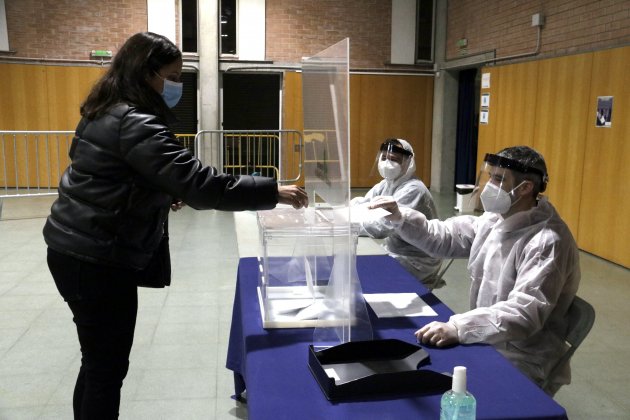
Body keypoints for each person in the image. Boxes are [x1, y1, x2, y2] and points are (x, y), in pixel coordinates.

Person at [42, 32, 308, 419]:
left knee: (98, 362)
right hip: (95, 258)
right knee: (106, 368)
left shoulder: (107, 109)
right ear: (147, 74)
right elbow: (201, 185)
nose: (178, 84)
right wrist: (272, 191)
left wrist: (160, 192)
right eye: (174, 75)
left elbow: (110, 175)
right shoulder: (135, 123)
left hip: (75, 248)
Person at [369, 146, 580, 395]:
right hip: (488, 334)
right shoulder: (496, 220)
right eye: (490, 176)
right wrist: (400, 216)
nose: (489, 185)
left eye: (499, 179)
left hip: (522, 356)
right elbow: (445, 237)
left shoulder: (546, 241)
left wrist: (460, 328)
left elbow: (524, 314)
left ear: (525, 188)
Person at [351, 138, 442, 287]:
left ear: (408, 163)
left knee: (363, 279)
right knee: (357, 270)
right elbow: (364, 205)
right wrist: (342, 212)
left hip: (416, 260)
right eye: (384, 157)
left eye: (394, 159)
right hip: (396, 251)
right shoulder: (387, 184)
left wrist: (349, 224)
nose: (387, 163)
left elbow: (381, 227)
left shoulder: (413, 189)